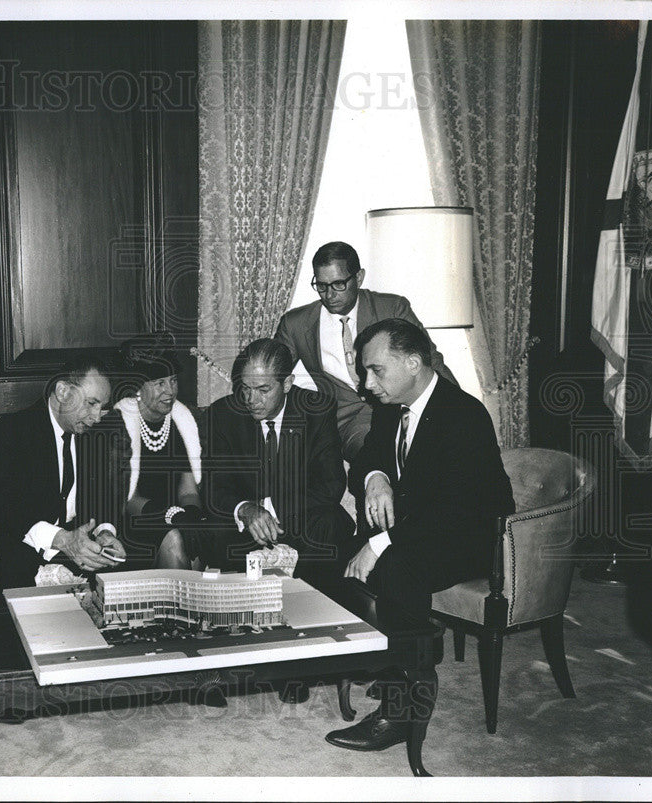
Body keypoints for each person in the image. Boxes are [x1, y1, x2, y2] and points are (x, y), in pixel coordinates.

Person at [325, 318, 514, 753]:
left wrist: (380, 543)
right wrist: (375, 477)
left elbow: (452, 509)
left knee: (396, 568)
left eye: (375, 370)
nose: (366, 383)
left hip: (471, 535)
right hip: (423, 523)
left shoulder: (462, 415)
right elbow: (373, 453)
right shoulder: (394, 406)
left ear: (413, 362)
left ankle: (400, 709)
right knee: (341, 552)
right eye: (364, 371)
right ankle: (394, 658)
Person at [274, 240, 456, 463]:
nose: (329, 295)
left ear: (358, 277)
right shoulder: (296, 324)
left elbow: (431, 363)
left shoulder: (392, 308)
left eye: (338, 284)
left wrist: (460, 411)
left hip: (402, 408)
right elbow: (273, 374)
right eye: (321, 285)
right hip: (351, 422)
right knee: (378, 459)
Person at [202, 338, 355, 598]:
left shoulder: (317, 410)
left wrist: (272, 509)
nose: (251, 399)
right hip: (246, 529)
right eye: (245, 388)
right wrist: (247, 510)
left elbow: (331, 484)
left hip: (302, 520)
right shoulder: (223, 414)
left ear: (287, 383)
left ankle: (309, 605)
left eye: (263, 390)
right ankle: (245, 613)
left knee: (332, 521)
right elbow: (214, 487)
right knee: (214, 531)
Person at [0, 354, 127, 590]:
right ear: (63, 392)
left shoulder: (95, 434)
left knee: (131, 557)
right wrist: (63, 540)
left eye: (102, 407)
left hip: (77, 531)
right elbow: (3, 509)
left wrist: (105, 531)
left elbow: (104, 495)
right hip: (28, 534)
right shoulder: (11, 432)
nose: (97, 417)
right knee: (13, 564)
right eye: (91, 403)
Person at [104, 332, 205, 570]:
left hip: (175, 516)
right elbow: (127, 498)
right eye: (160, 383)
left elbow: (188, 488)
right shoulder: (117, 426)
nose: (170, 391)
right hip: (133, 521)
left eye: (173, 381)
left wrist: (190, 514)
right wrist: (171, 516)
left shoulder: (181, 421)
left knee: (197, 536)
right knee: (174, 538)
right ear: (138, 386)